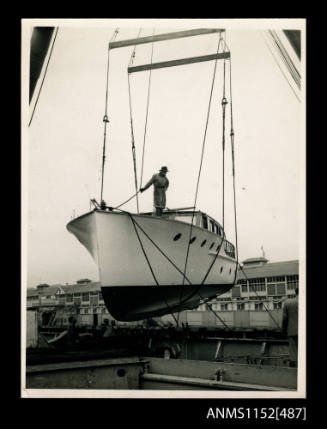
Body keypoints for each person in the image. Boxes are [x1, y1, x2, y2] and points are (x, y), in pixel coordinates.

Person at [282, 287, 298, 367]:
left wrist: (283, 330)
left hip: (292, 331)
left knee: (293, 355)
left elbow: (285, 318)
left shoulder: (288, 302)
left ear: (295, 292)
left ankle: (293, 372)